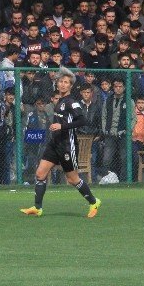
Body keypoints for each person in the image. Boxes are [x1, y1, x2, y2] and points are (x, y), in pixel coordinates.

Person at [20, 68, 101, 219]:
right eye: (61, 82)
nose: (63, 84)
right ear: (57, 83)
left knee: (72, 179)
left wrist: (61, 126)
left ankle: (93, 201)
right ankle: (38, 208)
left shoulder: (71, 102)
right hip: (54, 143)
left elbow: (83, 120)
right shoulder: (60, 101)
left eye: (66, 82)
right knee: (40, 173)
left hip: (66, 145)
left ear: (71, 86)